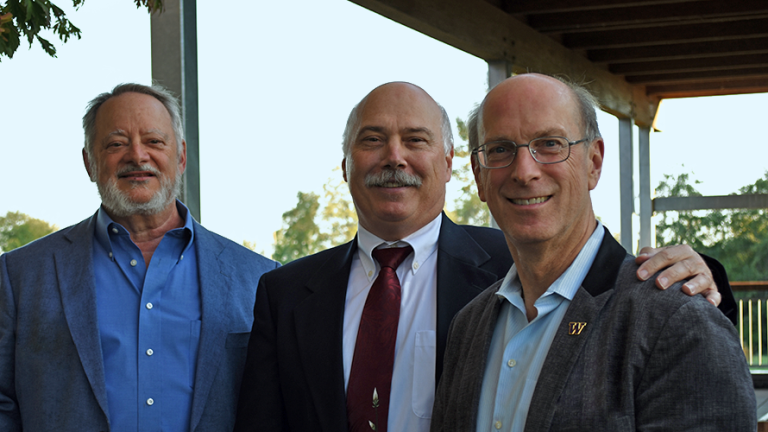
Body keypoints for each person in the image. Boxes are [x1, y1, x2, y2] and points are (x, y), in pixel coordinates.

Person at [234, 82, 735, 432]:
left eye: (550, 145)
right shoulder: (479, 317)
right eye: (372, 140)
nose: (394, 157)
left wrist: (703, 281)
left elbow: (668, 334)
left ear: (451, 165)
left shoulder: (518, 267)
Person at [430, 74, 755, 431]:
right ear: (479, 175)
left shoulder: (676, 322)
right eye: (501, 149)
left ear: (594, 162)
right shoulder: (468, 326)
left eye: (550, 144)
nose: (524, 171)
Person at [0, 83, 279, 432]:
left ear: (180, 157)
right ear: (89, 162)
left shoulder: (260, 280)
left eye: (154, 141)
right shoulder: (18, 276)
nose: (137, 155)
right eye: (116, 144)